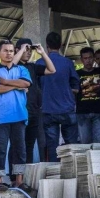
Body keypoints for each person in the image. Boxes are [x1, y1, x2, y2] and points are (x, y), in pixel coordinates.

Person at [0, 40, 31, 191]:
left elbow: (26, 84)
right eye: (5, 50)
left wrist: (5, 82)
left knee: (20, 149)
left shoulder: (22, 69)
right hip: (0, 117)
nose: (9, 53)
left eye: (11, 51)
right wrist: (15, 85)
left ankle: (19, 180)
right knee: (0, 149)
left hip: (19, 115)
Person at [37, 32, 80, 162]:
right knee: (71, 145)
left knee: (52, 145)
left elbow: (38, 85)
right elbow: (76, 84)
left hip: (48, 109)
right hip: (67, 108)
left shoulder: (39, 63)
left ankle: (54, 174)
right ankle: (72, 171)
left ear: (46, 45)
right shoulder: (67, 63)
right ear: (61, 45)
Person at [15, 38, 55, 167]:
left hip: (33, 110)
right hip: (18, 111)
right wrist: (21, 50)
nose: (28, 52)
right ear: (18, 50)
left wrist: (43, 53)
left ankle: (27, 176)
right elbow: (11, 66)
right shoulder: (13, 66)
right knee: (18, 145)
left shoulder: (32, 66)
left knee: (30, 145)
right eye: (26, 49)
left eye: (30, 50)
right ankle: (15, 176)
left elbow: (52, 70)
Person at [76, 47, 100, 144]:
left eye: (90, 57)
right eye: (85, 58)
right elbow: (72, 92)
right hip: (82, 113)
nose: (88, 60)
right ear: (82, 60)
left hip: (99, 112)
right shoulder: (76, 74)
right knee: (85, 142)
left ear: (94, 58)